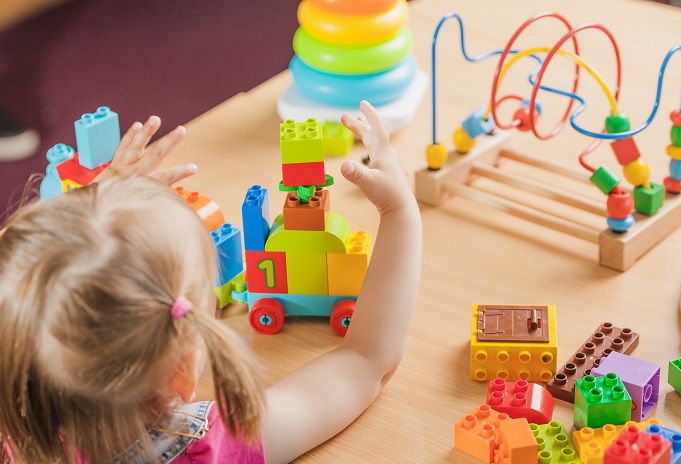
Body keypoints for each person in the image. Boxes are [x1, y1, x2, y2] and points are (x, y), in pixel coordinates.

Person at [0, 100, 422, 464]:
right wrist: (401, 211)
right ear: (183, 372)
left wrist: (87, 207)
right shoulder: (209, 448)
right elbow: (365, 360)